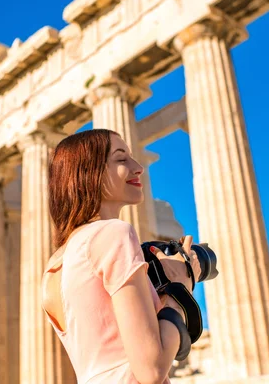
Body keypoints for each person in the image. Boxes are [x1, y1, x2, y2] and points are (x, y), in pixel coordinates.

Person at [41, 128, 202, 384]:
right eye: (121, 159)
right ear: (88, 172)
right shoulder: (113, 233)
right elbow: (152, 370)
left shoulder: (56, 263)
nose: (138, 167)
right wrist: (180, 286)